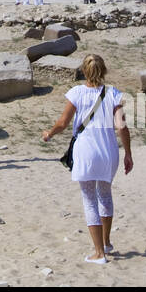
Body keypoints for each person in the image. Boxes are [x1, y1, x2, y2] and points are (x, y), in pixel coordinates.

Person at [41, 55, 132, 264]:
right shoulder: (112, 93)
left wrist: (49, 134)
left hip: (86, 152)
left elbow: (63, 122)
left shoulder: (77, 93)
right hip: (109, 151)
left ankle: (99, 252)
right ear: (104, 69)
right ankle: (106, 242)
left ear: (84, 70)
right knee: (106, 195)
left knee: (90, 199)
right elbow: (122, 126)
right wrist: (128, 153)